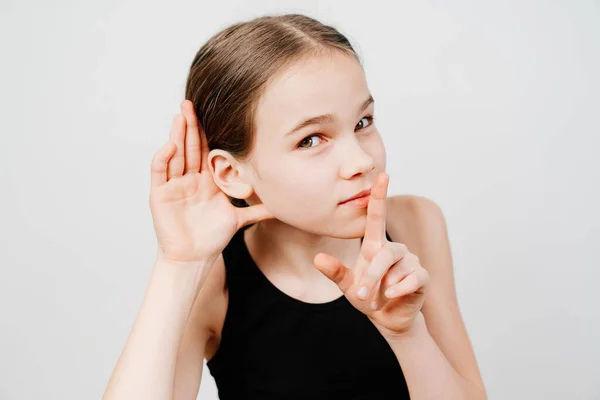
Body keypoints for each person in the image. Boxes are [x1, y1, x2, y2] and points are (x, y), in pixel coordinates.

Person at [103, 13, 487, 400]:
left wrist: (407, 334)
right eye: (311, 140)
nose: (362, 162)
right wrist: (179, 265)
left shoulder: (415, 223)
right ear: (232, 173)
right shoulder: (215, 281)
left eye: (363, 122)